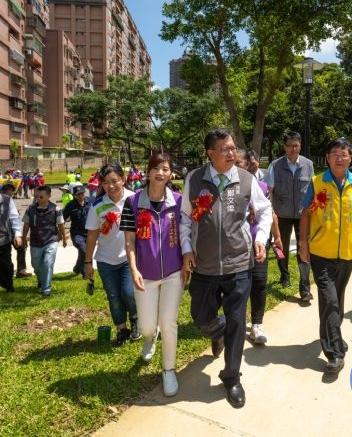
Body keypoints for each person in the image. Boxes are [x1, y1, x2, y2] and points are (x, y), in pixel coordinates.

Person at [180, 129, 272, 408]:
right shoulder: (195, 179)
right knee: (200, 316)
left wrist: (260, 239)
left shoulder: (246, 179)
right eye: (226, 149)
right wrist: (186, 249)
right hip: (205, 266)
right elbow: (185, 218)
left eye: (234, 148)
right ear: (210, 154)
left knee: (236, 321)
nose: (233, 154)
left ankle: (232, 377)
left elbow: (265, 210)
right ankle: (215, 332)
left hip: (238, 264)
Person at [298, 138, 352, 374]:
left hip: (347, 253)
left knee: (337, 300)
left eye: (344, 154)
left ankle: (333, 334)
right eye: (334, 153)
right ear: (327, 158)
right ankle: (335, 352)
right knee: (330, 300)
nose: (339, 158)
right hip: (320, 253)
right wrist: (303, 243)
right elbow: (305, 213)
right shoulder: (317, 183)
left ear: (351, 157)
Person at [121, 153, 185, 397]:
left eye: (166, 169)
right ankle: (150, 337)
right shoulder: (133, 202)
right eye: (156, 168)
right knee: (148, 326)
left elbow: (186, 234)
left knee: (168, 322)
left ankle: (168, 370)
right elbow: (129, 241)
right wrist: (134, 269)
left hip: (173, 273)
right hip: (144, 274)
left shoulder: (178, 201)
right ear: (147, 172)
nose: (161, 172)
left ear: (171, 174)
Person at [84, 163, 140, 347]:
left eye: (115, 181)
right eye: (106, 182)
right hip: (106, 260)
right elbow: (92, 235)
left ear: (123, 180)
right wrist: (87, 262)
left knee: (128, 293)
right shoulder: (98, 206)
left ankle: (135, 319)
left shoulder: (136, 199)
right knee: (114, 297)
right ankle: (121, 329)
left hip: (128, 258)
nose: (111, 186)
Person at [239, 149, 283, 344]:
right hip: (236, 246)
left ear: (248, 166)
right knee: (239, 287)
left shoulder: (261, 186)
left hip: (258, 243)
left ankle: (256, 325)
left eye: (241, 164)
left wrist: (276, 237)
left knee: (259, 282)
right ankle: (236, 323)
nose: (236, 168)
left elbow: (269, 213)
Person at [264, 131, 314, 302]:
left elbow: (312, 191)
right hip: (281, 215)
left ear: (300, 146)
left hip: (303, 215)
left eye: (296, 145)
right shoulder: (275, 166)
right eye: (290, 146)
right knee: (280, 247)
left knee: (304, 248)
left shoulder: (308, 164)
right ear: (284, 147)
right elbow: (268, 191)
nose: (293, 149)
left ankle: (305, 287)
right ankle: (284, 273)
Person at [22, 186, 67, 296]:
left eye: (41, 197)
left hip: (51, 240)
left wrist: (64, 238)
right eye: (36, 196)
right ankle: (41, 280)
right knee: (36, 265)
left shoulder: (56, 209)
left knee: (47, 263)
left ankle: (46, 289)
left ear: (49, 196)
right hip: (35, 242)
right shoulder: (30, 209)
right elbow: (26, 224)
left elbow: (61, 225)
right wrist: (24, 238)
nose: (38, 199)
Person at [1, 184, 31, 278]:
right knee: (2, 252)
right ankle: (2, 272)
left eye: (12, 192)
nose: (10, 193)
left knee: (21, 247)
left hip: (13, 230)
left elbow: (14, 217)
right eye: (8, 191)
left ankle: (21, 270)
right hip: (2, 231)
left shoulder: (10, 200)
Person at [62, 185, 93, 277]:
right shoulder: (70, 205)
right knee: (84, 250)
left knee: (85, 252)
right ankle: (85, 272)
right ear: (74, 195)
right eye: (78, 194)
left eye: (82, 193)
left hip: (90, 232)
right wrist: (62, 233)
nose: (80, 196)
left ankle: (77, 269)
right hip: (77, 233)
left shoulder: (91, 201)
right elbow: (62, 219)